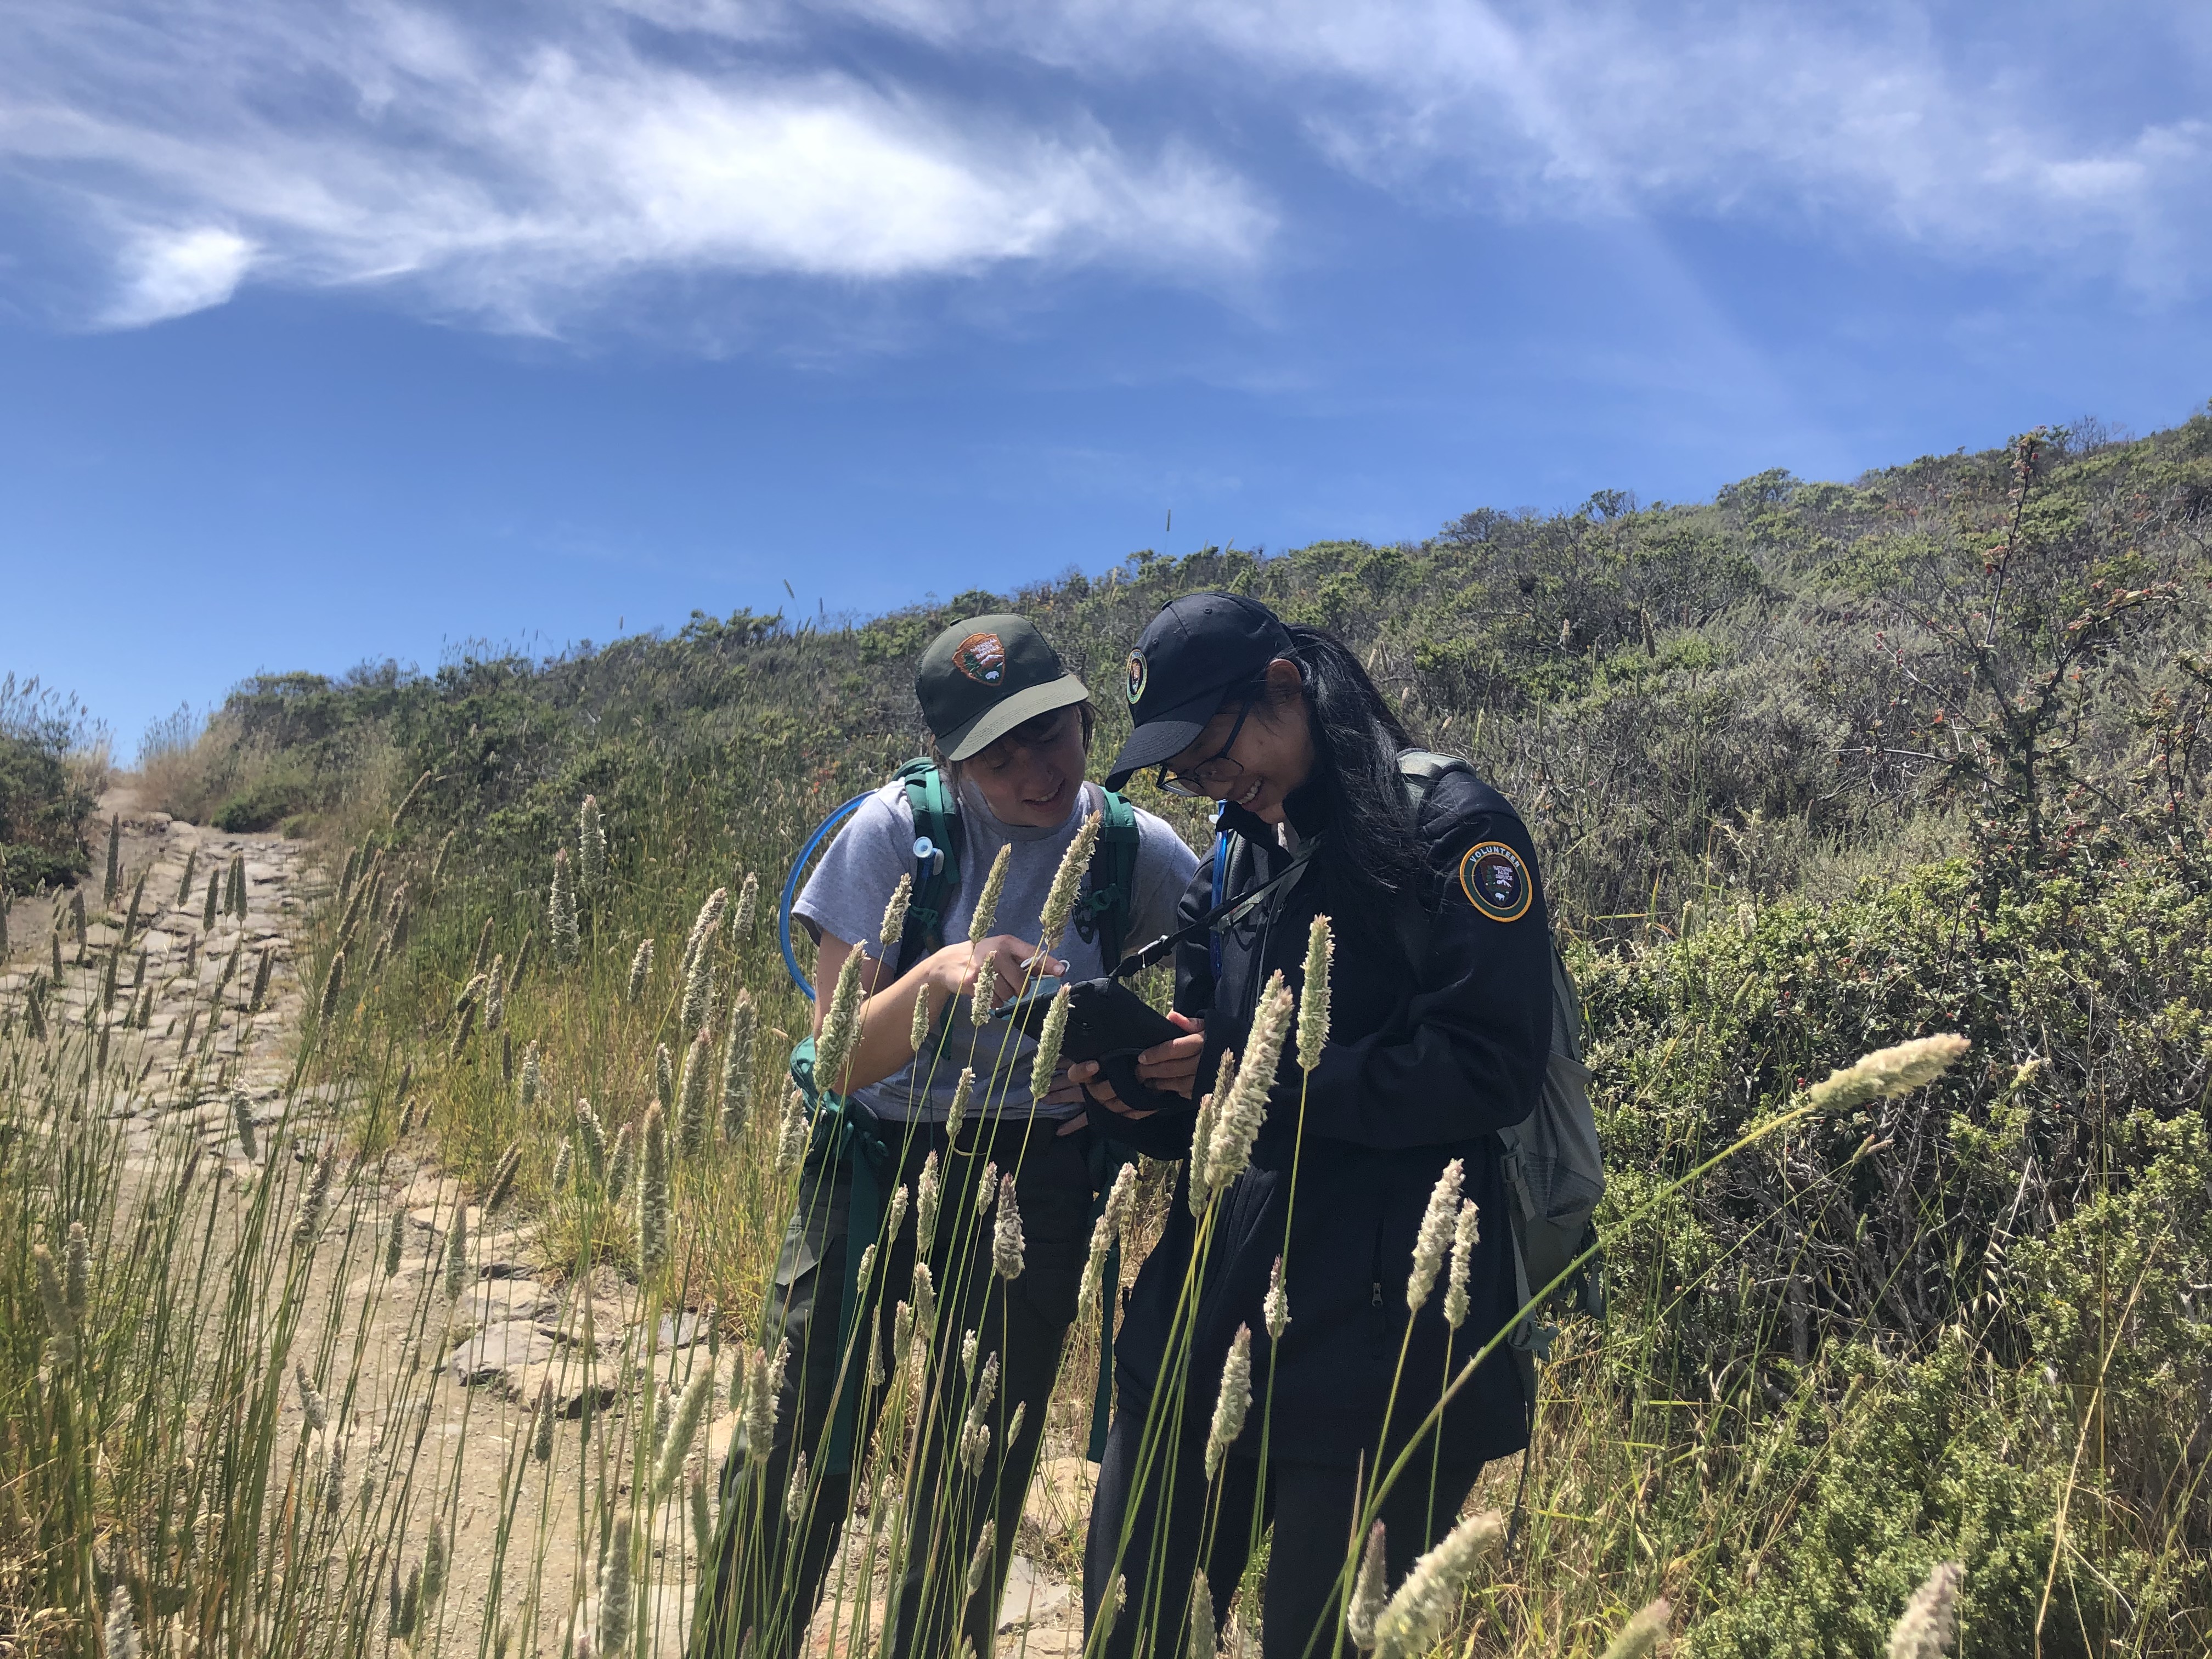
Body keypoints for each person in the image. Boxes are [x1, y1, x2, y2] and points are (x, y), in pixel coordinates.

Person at [694, 613, 1199, 1659]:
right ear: (951, 763)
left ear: (1082, 714)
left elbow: (1208, 997)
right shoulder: (890, 837)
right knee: (801, 1438)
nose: (1037, 771)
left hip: (1039, 1174)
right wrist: (936, 980)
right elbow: (836, 1057)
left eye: (1052, 733)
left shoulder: (1132, 849)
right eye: (999, 754)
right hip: (877, 1162)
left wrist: (1166, 1062)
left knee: (975, 1470)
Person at [1074, 592, 1554, 1659]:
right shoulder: (1228, 865)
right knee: (1129, 1619)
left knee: (1325, 1637)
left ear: (1284, 688)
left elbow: (1492, 1067)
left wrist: (1266, 1085)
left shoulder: (1453, 828)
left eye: (1211, 748)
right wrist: (1139, 1097)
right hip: (1216, 1300)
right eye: (1185, 773)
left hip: (1387, 1317)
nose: (1208, 782)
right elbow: (1207, 1090)